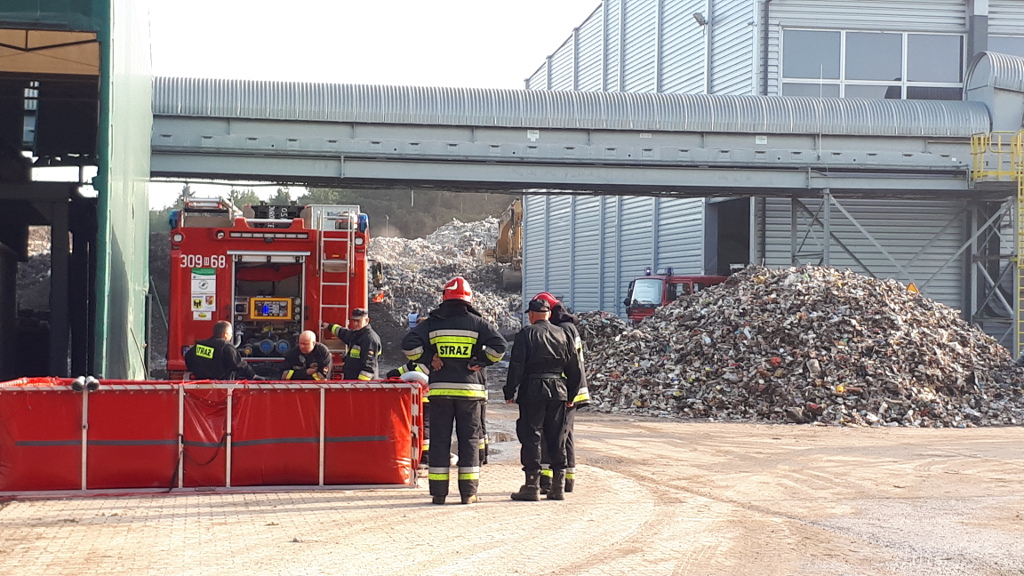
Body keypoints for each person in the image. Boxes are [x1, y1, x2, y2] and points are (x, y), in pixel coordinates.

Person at [401, 276, 506, 505]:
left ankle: (439, 494)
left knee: (439, 441)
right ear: (469, 299)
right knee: (469, 440)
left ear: (444, 297)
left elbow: (408, 346)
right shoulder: (478, 323)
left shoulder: (433, 323)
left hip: (441, 392)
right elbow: (500, 347)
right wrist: (481, 360)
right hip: (470, 392)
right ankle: (468, 493)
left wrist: (429, 358)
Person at [504, 298, 581, 501]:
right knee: (557, 437)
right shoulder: (564, 334)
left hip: (533, 391)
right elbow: (574, 368)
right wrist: (571, 395)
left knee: (531, 437)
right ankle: (558, 487)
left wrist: (509, 391)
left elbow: (517, 366)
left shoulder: (526, 334)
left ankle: (532, 486)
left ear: (531, 315)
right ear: (549, 314)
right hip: (558, 391)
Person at [533, 291, 590, 494]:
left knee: (556, 436)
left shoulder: (563, 329)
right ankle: (565, 480)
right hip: (570, 389)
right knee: (564, 435)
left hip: (566, 390)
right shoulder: (569, 327)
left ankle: (553, 481)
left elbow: (566, 362)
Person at [185, 320, 261, 380]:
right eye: (230, 333)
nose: (231, 336)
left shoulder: (199, 347)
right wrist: (253, 376)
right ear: (225, 334)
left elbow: (188, 358)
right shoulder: (226, 347)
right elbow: (238, 364)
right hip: (221, 387)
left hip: (200, 386)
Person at [323, 308, 381, 381]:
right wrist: (329, 326)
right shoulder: (356, 335)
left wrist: (360, 384)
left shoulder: (370, 339)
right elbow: (343, 333)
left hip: (362, 384)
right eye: (354, 321)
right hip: (352, 381)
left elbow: (369, 367)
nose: (355, 324)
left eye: (358, 321)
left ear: (367, 320)